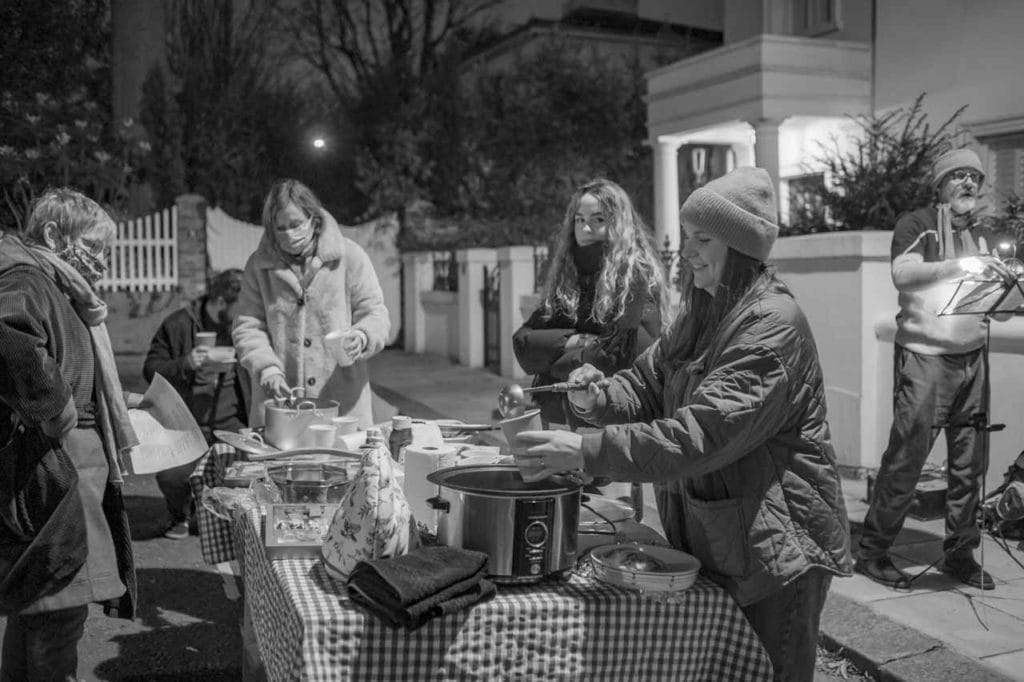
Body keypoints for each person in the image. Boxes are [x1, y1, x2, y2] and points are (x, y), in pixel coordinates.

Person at [514, 167, 853, 681]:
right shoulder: (705, 308)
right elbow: (648, 384)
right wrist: (597, 397)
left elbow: (700, 435)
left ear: (740, 248)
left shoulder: (770, 326)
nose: (687, 251)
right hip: (725, 540)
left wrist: (584, 449)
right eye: (687, 236)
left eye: (703, 239)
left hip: (774, 555)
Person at [856, 148, 1016, 591]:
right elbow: (902, 275)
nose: (969, 183)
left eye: (976, 178)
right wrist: (960, 266)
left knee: (970, 463)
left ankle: (959, 554)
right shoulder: (917, 223)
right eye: (959, 176)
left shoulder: (986, 235)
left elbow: (998, 313)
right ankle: (873, 552)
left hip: (972, 358)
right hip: (924, 357)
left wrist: (1006, 289)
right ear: (940, 184)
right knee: (907, 458)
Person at [0, 188, 139, 680]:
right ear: (55, 235)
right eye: (96, 246)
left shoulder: (58, 284)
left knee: (39, 608)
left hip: (68, 471)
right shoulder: (27, 276)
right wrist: (55, 409)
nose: (102, 261)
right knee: (56, 614)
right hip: (53, 475)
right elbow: (10, 337)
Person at [233, 179, 390, 430]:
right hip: (281, 409)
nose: (288, 233)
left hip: (343, 406)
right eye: (280, 227)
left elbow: (376, 313)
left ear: (313, 220)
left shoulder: (350, 257)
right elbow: (247, 326)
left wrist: (362, 336)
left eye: (295, 224)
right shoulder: (258, 266)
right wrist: (267, 369)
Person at [512, 178, 666, 429]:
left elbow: (622, 355)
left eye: (598, 220)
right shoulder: (567, 277)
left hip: (609, 424)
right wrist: (581, 341)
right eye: (579, 220)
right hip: (556, 419)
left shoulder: (635, 277)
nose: (585, 229)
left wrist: (557, 363)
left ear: (618, 225)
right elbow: (523, 342)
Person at [143, 268, 249, 539]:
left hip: (233, 421)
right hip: (187, 423)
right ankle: (180, 513)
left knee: (253, 468)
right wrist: (187, 362)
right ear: (222, 302)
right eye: (239, 306)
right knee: (171, 475)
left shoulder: (244, 328)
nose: (244, 313)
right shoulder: (178, 325)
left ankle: (229, 518)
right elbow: (150, 369)